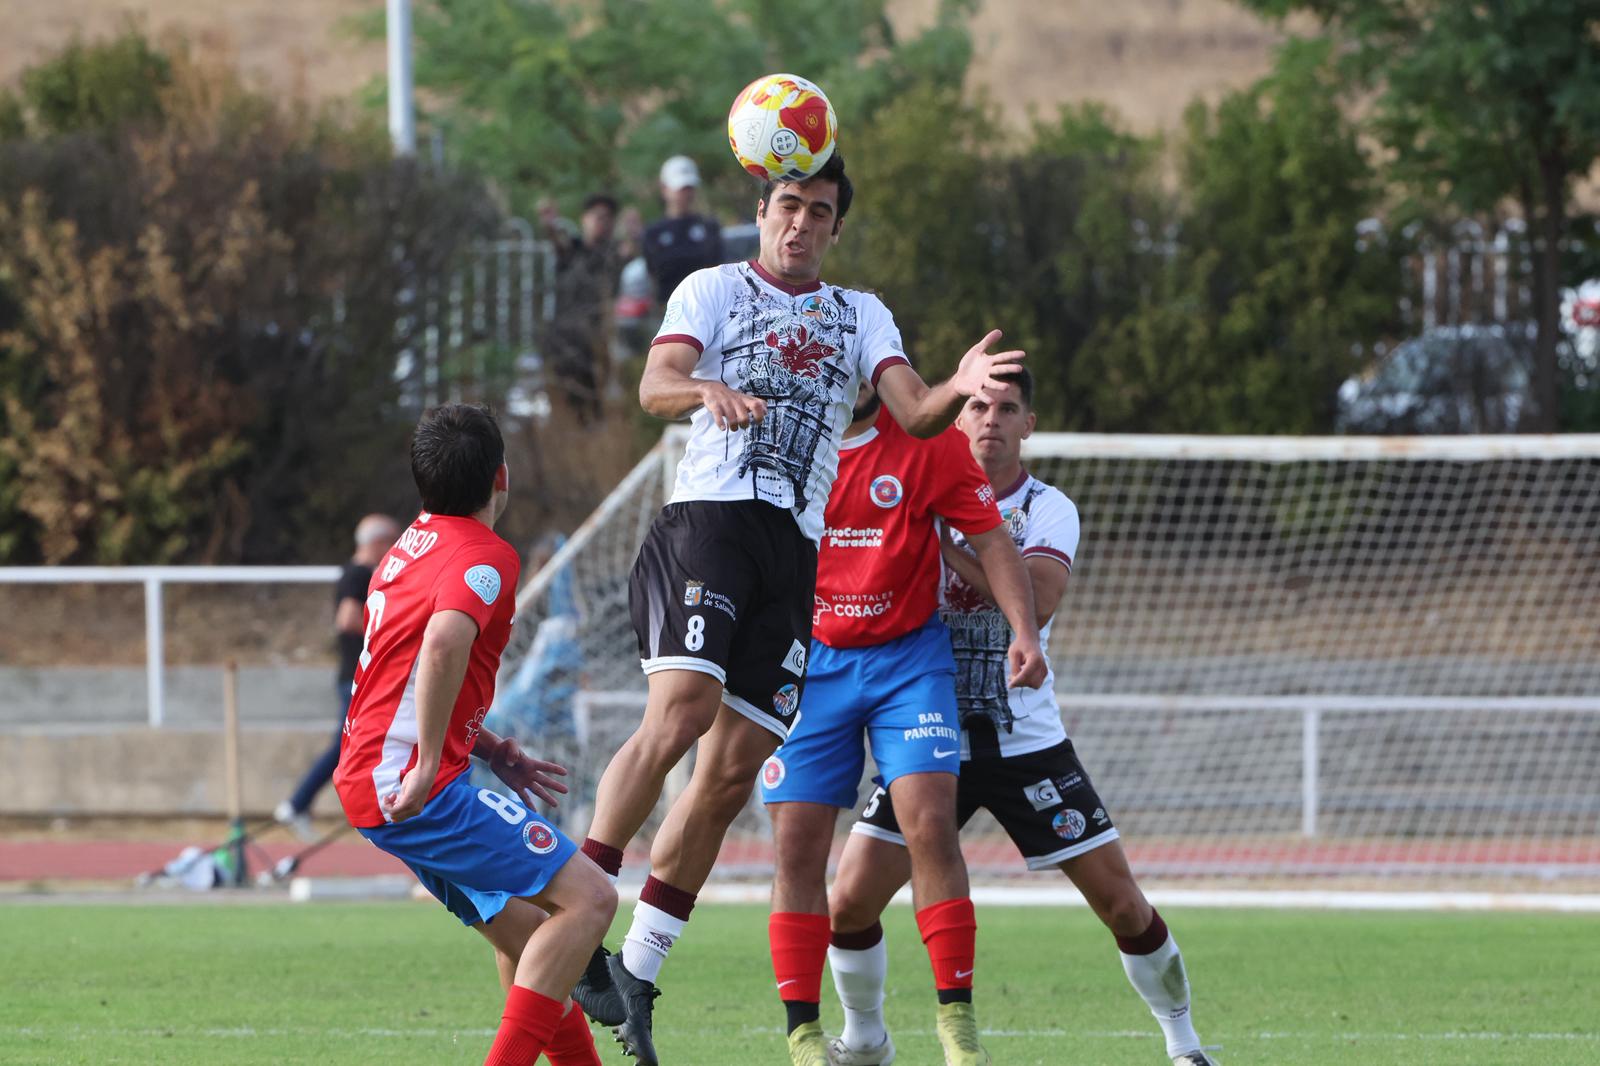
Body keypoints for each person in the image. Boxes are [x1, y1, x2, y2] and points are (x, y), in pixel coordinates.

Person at [569, 151, 1047, 1066]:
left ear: (835, 227)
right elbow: (655, 384)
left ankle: (635, 967)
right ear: (761, 210)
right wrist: (704, 389)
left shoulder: (861, 313)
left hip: (793, 555)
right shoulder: (712, 289)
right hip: (710, 524)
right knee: (682, 716)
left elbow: (917, 412)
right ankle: (583, 903)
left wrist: (957, 385)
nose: (802, 223)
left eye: (820, 212)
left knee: (728, 772)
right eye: (789, 204)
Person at [826, 370, 1218, 1066]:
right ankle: (864, 1041)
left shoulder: (1047, 508)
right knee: (849, 901)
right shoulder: (912, 488)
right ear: (955, 417)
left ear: (1028, 425)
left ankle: (1184, 1045)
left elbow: (1034, 600)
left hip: (1025, 740)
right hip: (927, 736)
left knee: (1121, 904)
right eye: (978, 405)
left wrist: (948, 546)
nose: (991, 420)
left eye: (1007, 409)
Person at [759, 377, 1043, 1066]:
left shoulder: (932, 445)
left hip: (909, 663)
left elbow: (994, 542)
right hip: (811, 664)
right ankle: (804, 1036)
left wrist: (1025, 632)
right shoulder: (783, 443)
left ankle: (957, 1025)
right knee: (797, 847)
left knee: (931, 824)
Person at [333, 403, 618, 1066]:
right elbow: (441, 644)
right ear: (501, 477)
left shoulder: (408, 547)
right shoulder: (486, 557)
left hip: (376, 774)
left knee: (528, 936)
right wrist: (431, 762)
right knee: (589, 901)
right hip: (412, 783)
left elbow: (405, 673)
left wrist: (485, 747)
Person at [275, 512, 401, 841]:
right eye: (391, 542)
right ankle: (297, 802)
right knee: (346, 746)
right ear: (378, 542)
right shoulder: (358, 574)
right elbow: (347, 618)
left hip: (358, 676)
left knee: (349, 743)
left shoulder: (360, 573)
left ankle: (299, 802)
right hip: (356, 676)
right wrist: (389, 632)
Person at [540, 194, 628, 419]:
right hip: (564, 342)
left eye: (606, 217)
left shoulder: (614, 255)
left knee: (597, 407)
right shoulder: (572, 250)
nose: (601, 221)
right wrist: (550, 225)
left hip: (597, 343)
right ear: (584, 219)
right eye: (596, 216)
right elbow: (557, 241)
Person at [641, 156, 724, 306]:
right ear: (664, 189)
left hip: (705, 304)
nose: (686, 194)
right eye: (680, 189)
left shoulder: (709, 227)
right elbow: (654, 272)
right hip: (667, 307)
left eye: (689, 188)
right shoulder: (653, 233)